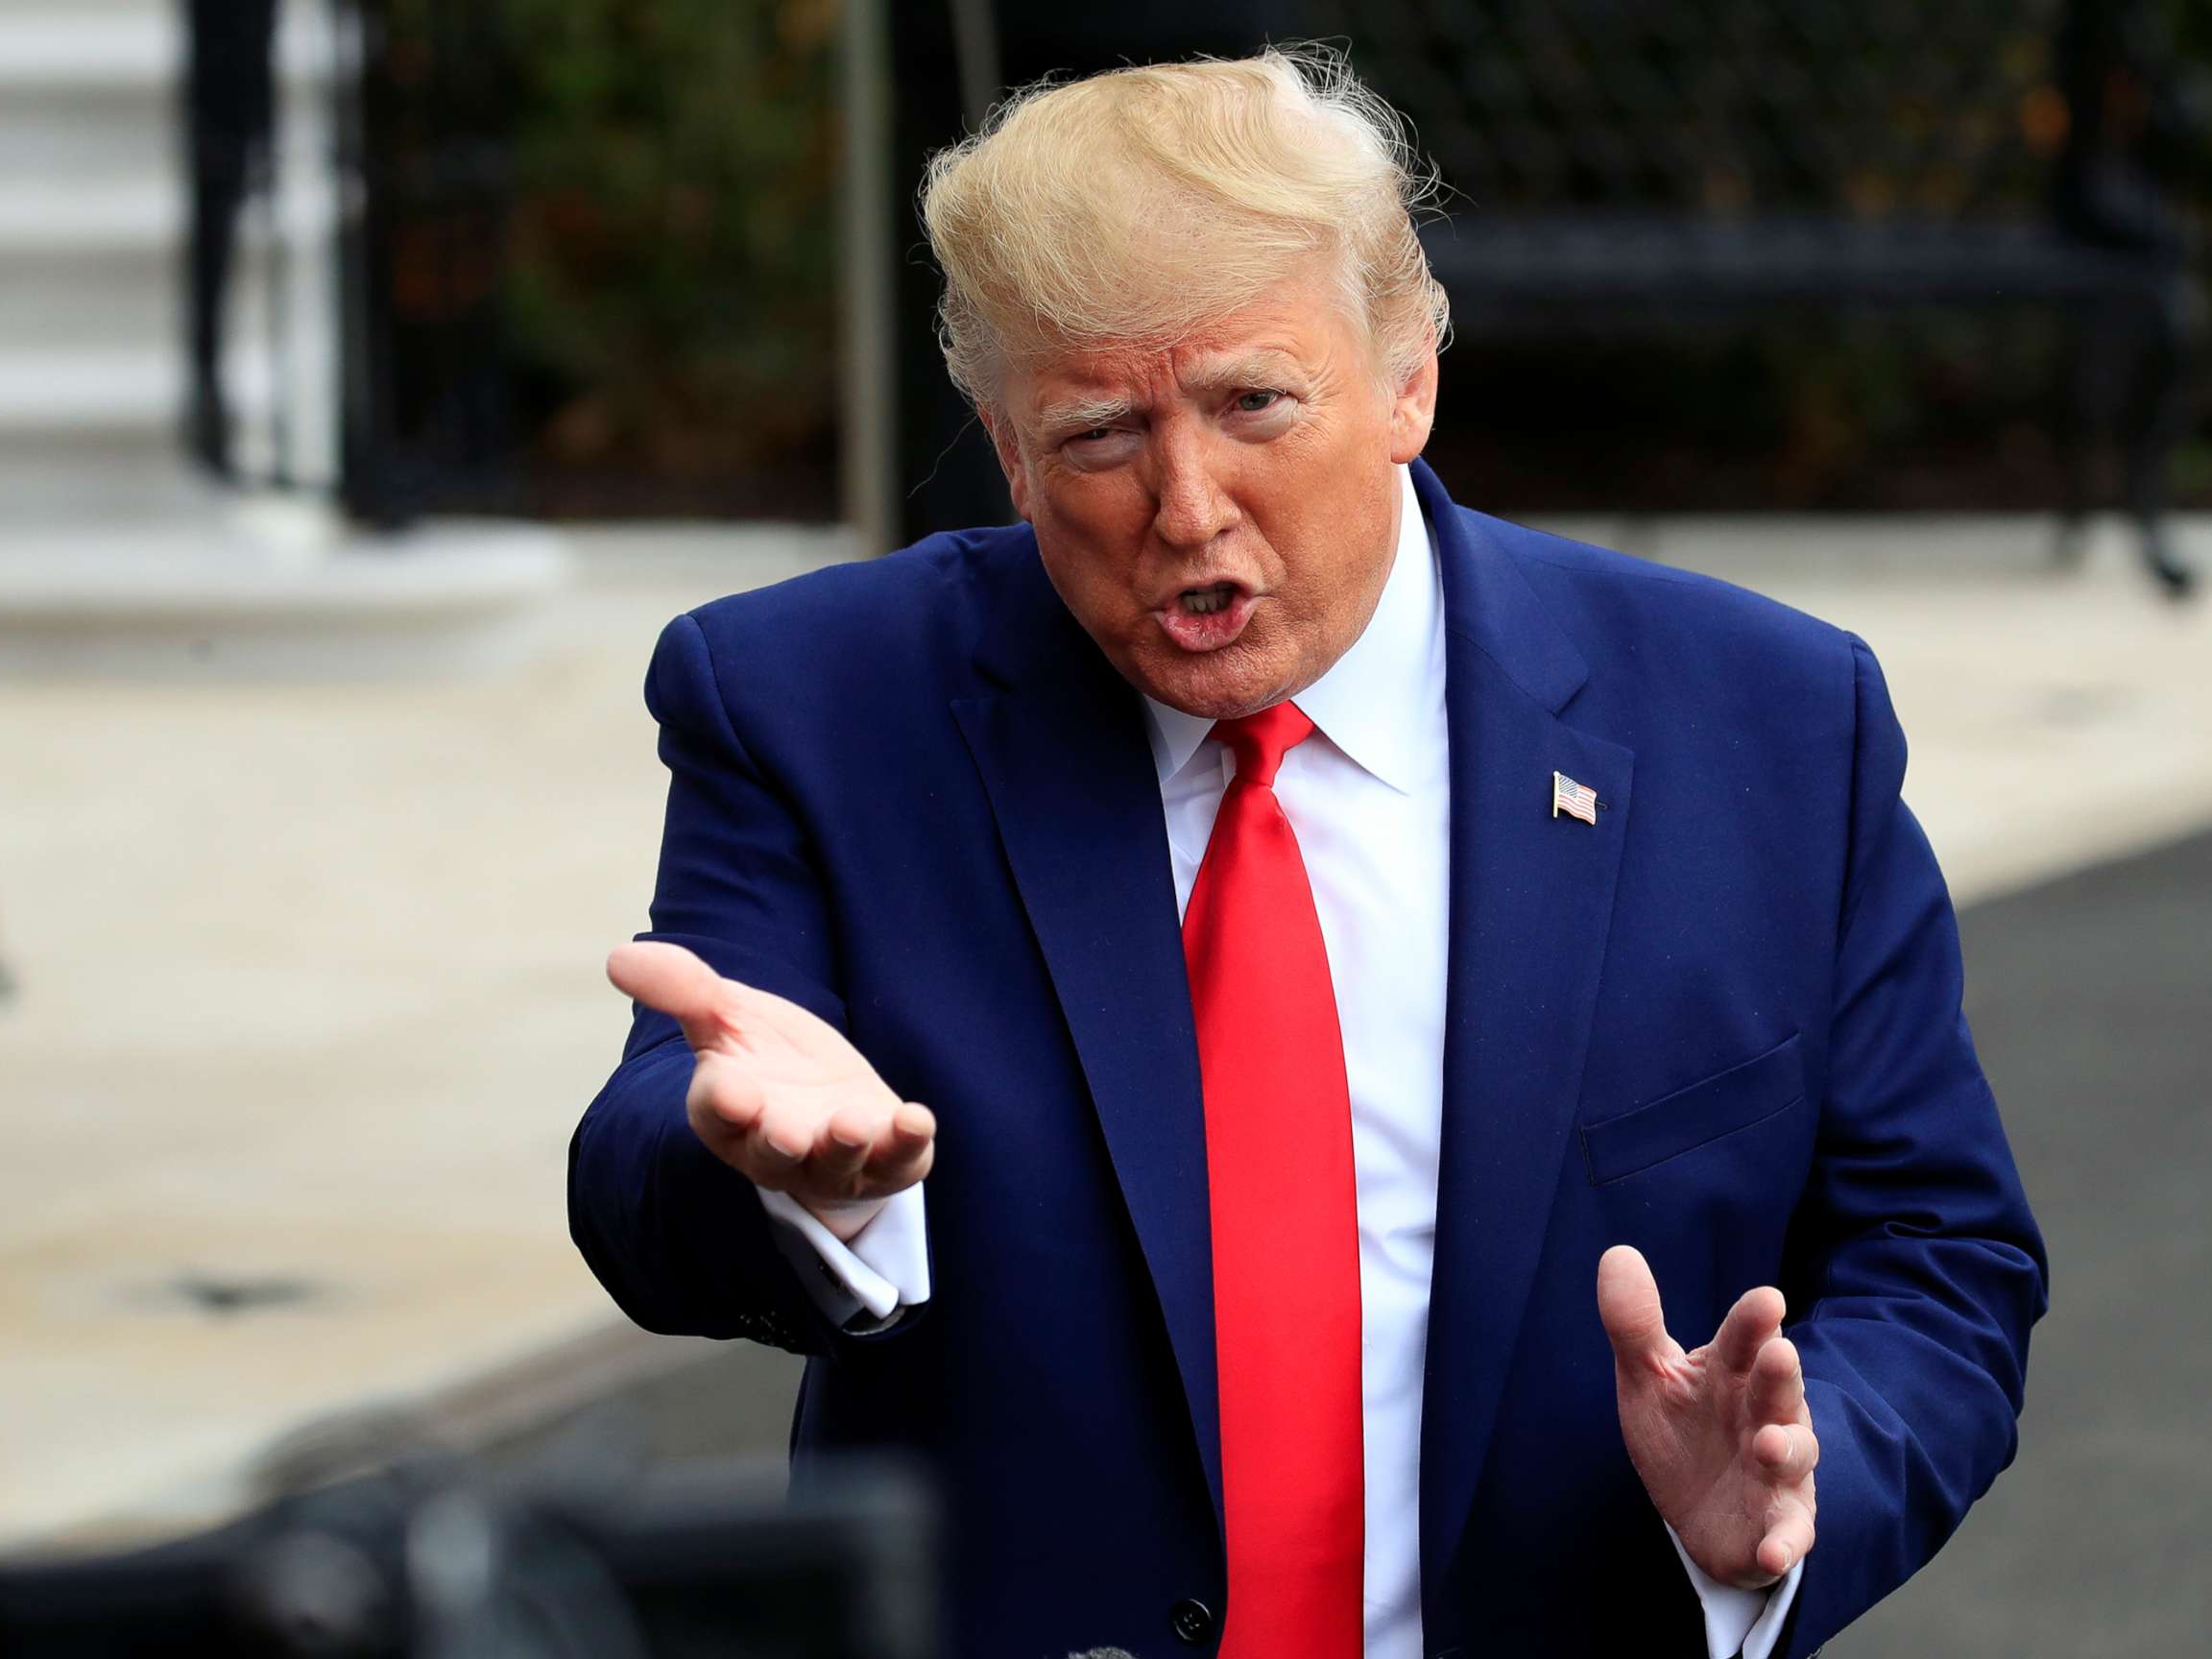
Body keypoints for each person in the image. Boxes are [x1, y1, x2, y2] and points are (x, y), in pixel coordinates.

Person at [568, 47, 2047, 1659]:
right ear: (1003, 447)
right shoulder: (811, 702)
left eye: (1254, 403)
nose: (1188, 506)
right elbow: (656, 1152)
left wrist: (1794, 1492)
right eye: (1097, 436)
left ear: (1408, 376)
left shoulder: (1764, 726)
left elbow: (1938, 1254)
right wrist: (770, 1175)